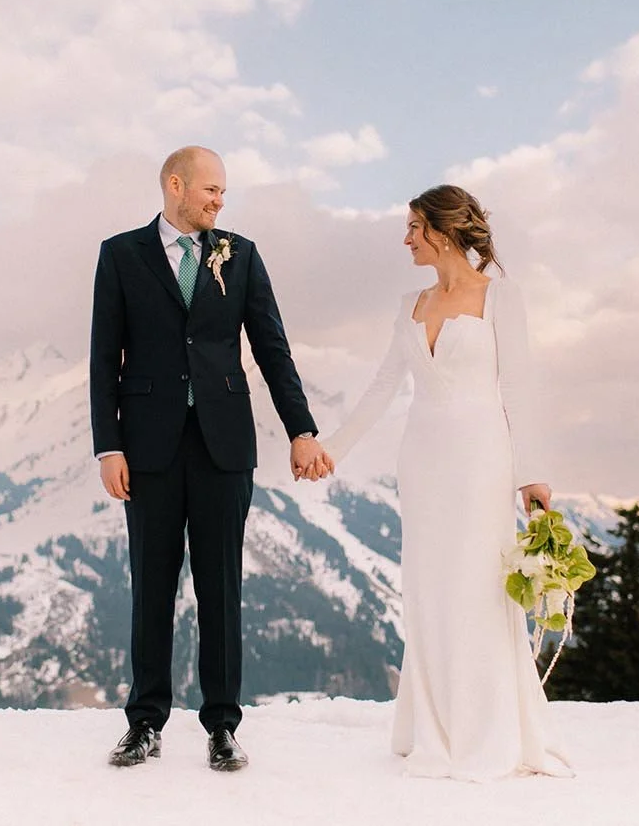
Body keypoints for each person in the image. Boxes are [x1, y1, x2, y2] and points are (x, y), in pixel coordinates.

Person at [89, 145, 333, 772]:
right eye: (211, 190)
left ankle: (223, 726)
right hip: (148, 447)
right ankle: (144, 723)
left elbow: (272, 348)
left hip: (224, 446)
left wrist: (301, 430)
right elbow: (104, 356)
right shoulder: (120, 255)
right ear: (175, 185)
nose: (220, 202)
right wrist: (109, 445)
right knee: (152, 586)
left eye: (223, 192)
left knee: (221, 588)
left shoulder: (240, 254)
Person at [315, 184, 571, 781]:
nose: (405, 239)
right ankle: (433, 725)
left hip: (482, 460)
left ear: (444, 230)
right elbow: (384, 386)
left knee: (477, 585)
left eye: (414, 227)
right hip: (422, 461)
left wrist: (531, 475)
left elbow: (518, 387)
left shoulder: (501, 297)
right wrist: (332, 450)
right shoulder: (412, 302)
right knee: (428, 586)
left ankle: (486, 729)